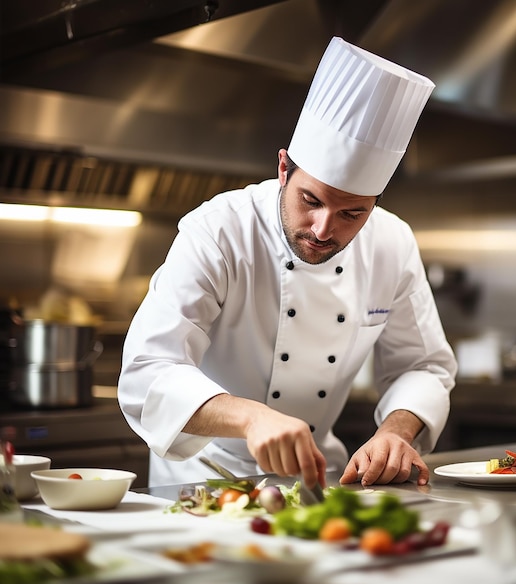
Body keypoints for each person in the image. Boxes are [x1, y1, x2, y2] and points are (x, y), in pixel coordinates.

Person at [118, 37, 457, 489]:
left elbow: (424, 366)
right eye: (310, 200)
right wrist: (251, 417)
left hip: (321, 479)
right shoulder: (218, 231)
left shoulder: (391, 241)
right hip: (204, 481)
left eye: (352, 213)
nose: (322, 229)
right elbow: (148, 373)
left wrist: (395, 432)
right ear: (283, 168)